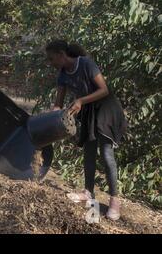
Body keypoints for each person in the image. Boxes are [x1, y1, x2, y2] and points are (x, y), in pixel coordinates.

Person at [46, 39, 127, 220]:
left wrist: (81, 101)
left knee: (106, 153)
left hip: (106, 109)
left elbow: (104, 90)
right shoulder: (62, 74)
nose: (50, 63)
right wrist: (50, 119)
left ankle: (115, 201)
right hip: (89, 112)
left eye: (52, 59)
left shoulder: (86, 64)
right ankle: (88, 192)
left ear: (61, 55)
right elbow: (58, 105)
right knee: (89, 153)